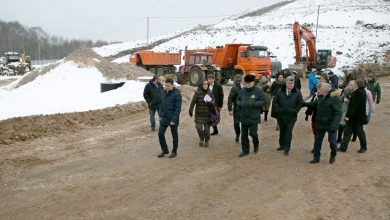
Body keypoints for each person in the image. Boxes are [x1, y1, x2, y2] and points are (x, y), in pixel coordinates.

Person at [305, 82, 342, 164]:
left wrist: (334, 126)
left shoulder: (335, 98)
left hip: (331, 124)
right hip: (321, 123)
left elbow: (338, 113)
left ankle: (333, 155)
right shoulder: (320, 97)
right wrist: (303, 104)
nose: (318, 90)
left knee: (332, 142)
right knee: (317, 141)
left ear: (325, 90)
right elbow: (314, 104)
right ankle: (316, 158)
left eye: (320, 88)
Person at [271, 76, 304, 156]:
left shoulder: (297, 92)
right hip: (281, 116)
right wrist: (278, 110)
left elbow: (300, 103)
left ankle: (287, 148)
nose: (291, 85)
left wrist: (295, 111)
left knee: (288, 131)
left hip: (291, 116)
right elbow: (275, 102)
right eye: (289, 83)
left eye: (292, 83)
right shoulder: (280, 91)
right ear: (286, 83)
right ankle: (281, 145)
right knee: (282, 131)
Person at [236, 74, 266, 157]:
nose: (247, 85)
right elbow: (238, 100)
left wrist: (253, 104)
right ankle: (245, 150)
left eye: (249, 83)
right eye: (246, 83)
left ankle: (256, 144)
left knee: (253, 133)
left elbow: (263, 100)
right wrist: (240, 104)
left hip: (254, 117)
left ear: (253, 82)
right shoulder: (242, 91)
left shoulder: (258, 91)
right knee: (244, 136)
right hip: (244, 116)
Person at [338, 79, 367, 153]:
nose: (353, 84)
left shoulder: (357, 93)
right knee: (347, 132)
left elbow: (353, 107)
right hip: (357, 117)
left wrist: (347, 116)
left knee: (360, 133)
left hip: (356, 117)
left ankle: (363, 147)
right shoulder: (362, 91)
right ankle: (343, 147)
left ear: (357, 85)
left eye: (354, 84)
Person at [157, 78, 182, 158]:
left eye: (168, 86)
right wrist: (160, 116)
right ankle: (164, 150)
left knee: (174, 136)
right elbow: (161, 105)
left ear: (172, 85)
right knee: (160, 133)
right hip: (164, 118)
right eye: (165, 86)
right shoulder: (164, 92)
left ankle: (174, 151)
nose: (166, 87)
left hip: (172, 119)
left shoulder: (177, 94)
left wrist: (174, 120)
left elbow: (178, 109)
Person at [189, 80, 215, 148]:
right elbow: (193, 102)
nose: (205, 85)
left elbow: (213, 102)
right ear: (201, 85)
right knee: (198, 127)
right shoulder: (197, 93)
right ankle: (201, 138)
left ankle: (206, 140)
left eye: (206, 84)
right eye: (204, 84)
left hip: (207, 114)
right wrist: (190, 110)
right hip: (199, 114)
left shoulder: (210, 93)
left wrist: (210, 102)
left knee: (207, 130)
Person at [228, 75, 244, 143]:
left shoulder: (249, 88)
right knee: (236, 124)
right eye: (244, 79)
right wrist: (230, 109)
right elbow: (230, 99)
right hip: (237, 110)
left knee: (245, 125)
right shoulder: (235, 88)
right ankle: (237, 134)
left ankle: (244, 138)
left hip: (245, 111)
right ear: (241, 80)